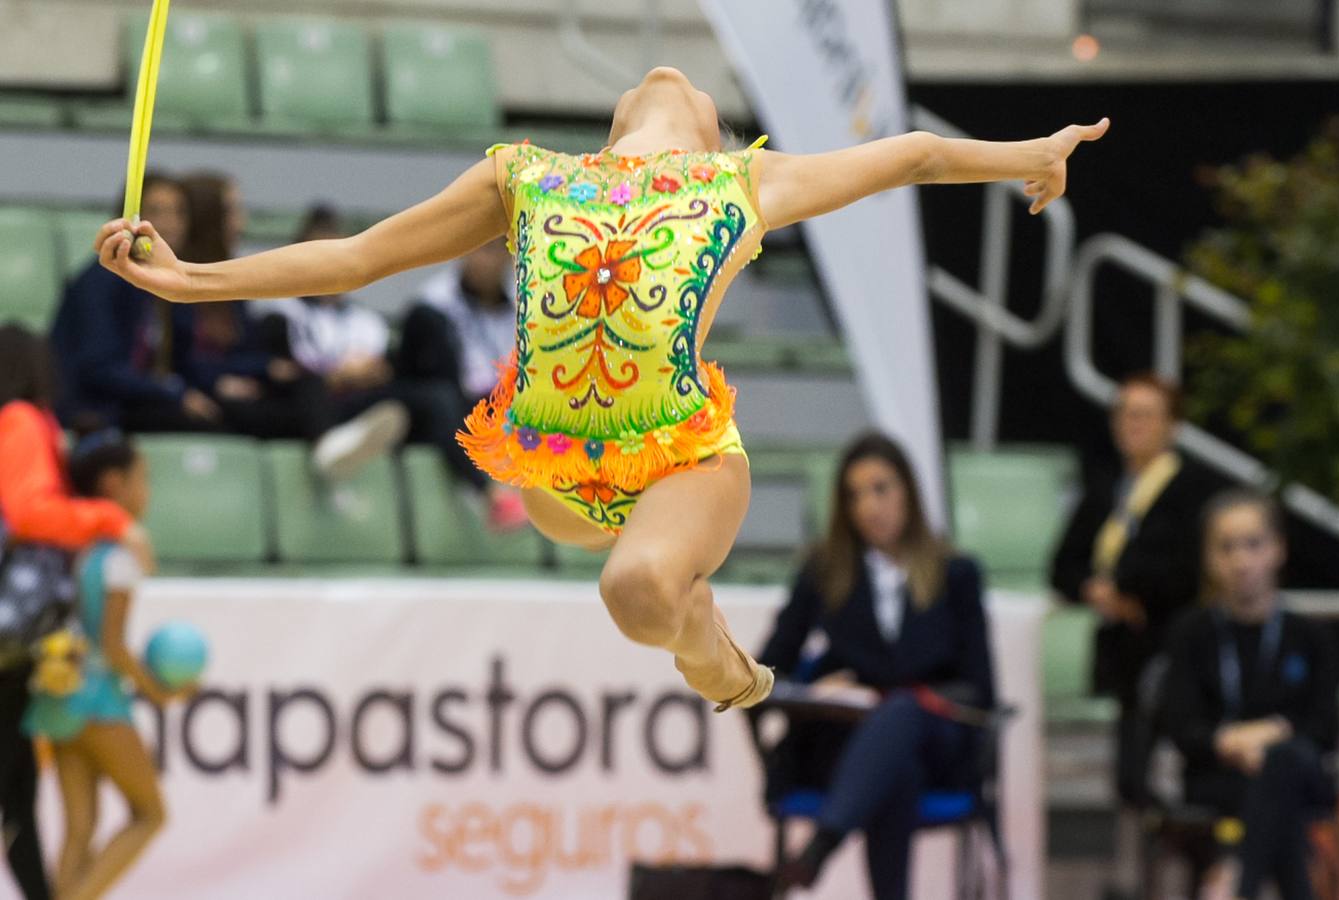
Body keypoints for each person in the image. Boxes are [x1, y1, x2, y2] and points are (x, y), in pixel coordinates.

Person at [95, 65, 1108, 710]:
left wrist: (1034, 152)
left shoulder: (744, 183)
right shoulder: (526, 175)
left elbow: (917, 154)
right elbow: (359, 258)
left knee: (634, 592)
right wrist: (190, 282)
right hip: (551, 468)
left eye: (700, 94)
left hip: (682, 459)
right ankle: (684, 611)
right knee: (600, 550)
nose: (672, 80)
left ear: (713, 134)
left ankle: (715, 658)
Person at [757, 433, 995, 900]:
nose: (869, 506)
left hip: (937, 740)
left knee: (903, 714)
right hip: (846, 742)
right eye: (854, 495)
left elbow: (980, 686)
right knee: (896, 768)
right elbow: (769, 668)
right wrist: (813, 692)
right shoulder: (823, 571)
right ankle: (827, 850)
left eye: (881, 488)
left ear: (908, 490)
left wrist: (922, 703)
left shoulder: (957, 573)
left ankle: (822, 846)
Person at [0, 324, 155, 900]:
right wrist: (111, 520)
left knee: (25, 798)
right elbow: (30, 513)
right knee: (20, 795)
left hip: (26, 653)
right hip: (19, 640)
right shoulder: (19, 418)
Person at [1049, 372, 1215, 899]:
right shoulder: (1105, 486)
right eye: (1124, 413)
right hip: (1124, 653)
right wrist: (1098, 592)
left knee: (1178, 764)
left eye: (1145, 414)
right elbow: (1062, 565)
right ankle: (1155, 870)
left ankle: (1194, 864)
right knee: (1129, 776)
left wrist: (1125, 585)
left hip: (1177, 650)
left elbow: (1187, 569)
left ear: (1172, 424)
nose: (1132, 424)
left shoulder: (1191, 486)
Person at [257, 206, 525, 523]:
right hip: (312, 403)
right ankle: (330, 442)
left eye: (333, 258)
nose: (325, 268)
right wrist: (336, 375)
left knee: (414, 400)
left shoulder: (364, 321)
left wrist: (374, 371)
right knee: (308, 386)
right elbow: (277, 370)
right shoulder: (281, 313)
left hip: (368, 400)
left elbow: (390, 370)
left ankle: (351, 439)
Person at [24, 430, 192, 900]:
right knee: (150, 814)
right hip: (96, 697)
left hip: (55, 693)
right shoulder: (120, 556)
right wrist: (158, 691)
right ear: (114, 484)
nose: (148, 491)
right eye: (144, 479)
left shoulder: (75, 547)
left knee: (80, 829)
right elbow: (113, 648)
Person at [1161, 489, 1339, 900]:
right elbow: (1181, 725)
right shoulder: (1192, 633)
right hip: (1219, 774)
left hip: (1300, 774)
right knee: (1282, 779)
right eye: (1226, 547)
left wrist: (1267, 735)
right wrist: (1232, 744)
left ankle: (1236, 873)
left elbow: (1326, 726)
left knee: (1286, 763)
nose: (1241, 561)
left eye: (1253, 544)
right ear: (1208, 557)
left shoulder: (1312, 636)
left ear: (1278, 549)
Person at [177, 177, 408, 481]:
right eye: (233, 210)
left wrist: (265, 369)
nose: (242, 221)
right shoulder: (181, 282)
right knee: (305, 386)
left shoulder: (229, 277)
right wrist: (216, 381)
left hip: (253, 388)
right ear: (208, 217)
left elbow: (246, 353)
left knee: (316, 385)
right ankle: (329, 442)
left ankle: (336, 439)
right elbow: (174, 356)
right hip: (204, 397)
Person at [49, 173, 213, 433]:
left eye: (178, 212)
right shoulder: (100, 281)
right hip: (97, 409)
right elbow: (98, 369)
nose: (170, 223)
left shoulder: (171, 283)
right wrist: (172, 392)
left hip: (140, 401)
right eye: (157, 211)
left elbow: (186, 362)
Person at [398, 240, 516, 403]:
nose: (478, 259)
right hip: (460, 406)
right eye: (472, 248)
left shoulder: (525, 302)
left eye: (488, 249)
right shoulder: (433, 304)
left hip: (514, 403)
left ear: (510, 253)